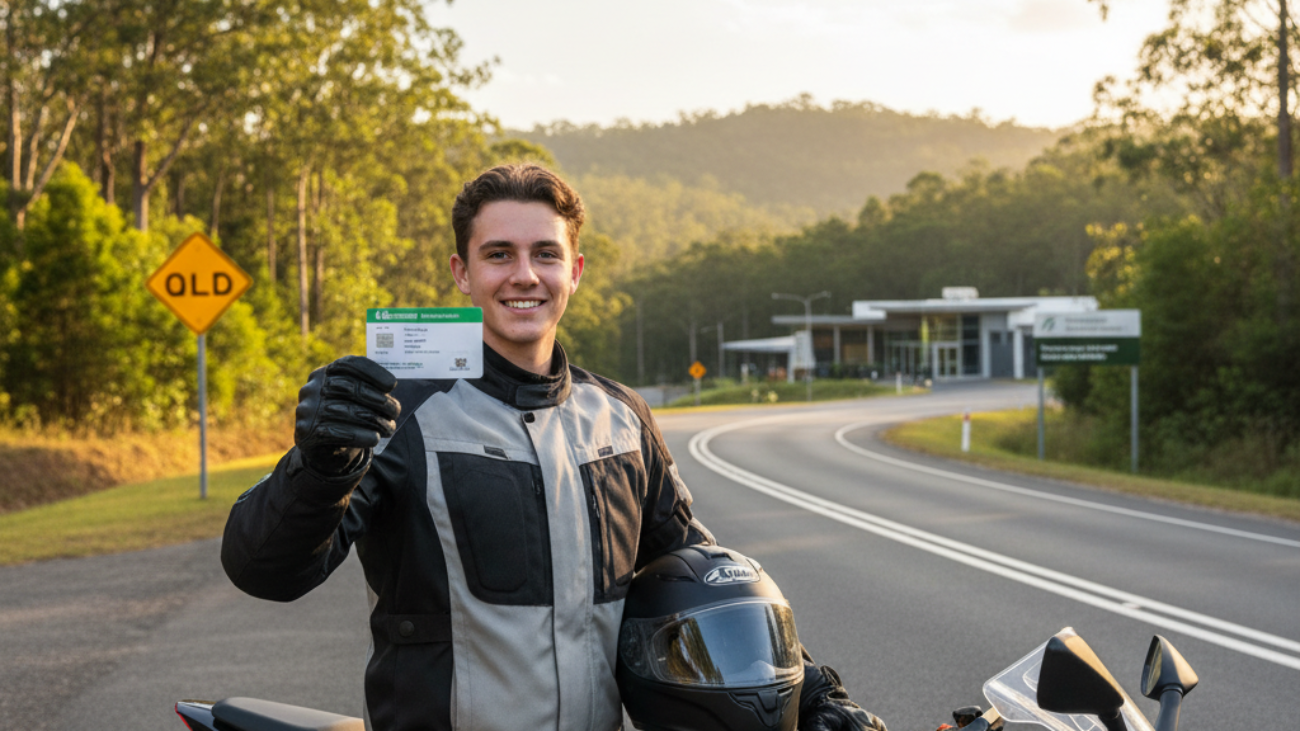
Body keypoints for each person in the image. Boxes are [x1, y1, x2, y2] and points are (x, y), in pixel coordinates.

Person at [221, 164, 886, 731]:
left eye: (545, 253)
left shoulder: (622, 419)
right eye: (498, 254)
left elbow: (703, 580)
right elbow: (265, 571)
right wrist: (318, 466)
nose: (524, 276)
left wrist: (817, 693)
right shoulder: (402, 415)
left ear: (575, 270)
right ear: (462, 272)